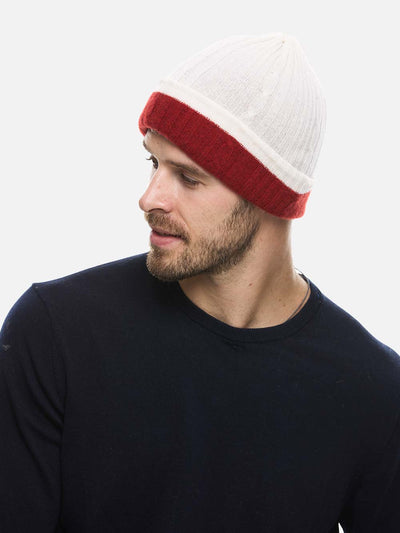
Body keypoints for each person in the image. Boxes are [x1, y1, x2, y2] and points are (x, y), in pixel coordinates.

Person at [1, 33, 399, 533]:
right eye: (154, 163)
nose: (149, 198)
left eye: (188, 177)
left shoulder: (373, 390)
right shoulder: (56, 333)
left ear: (269, 195)